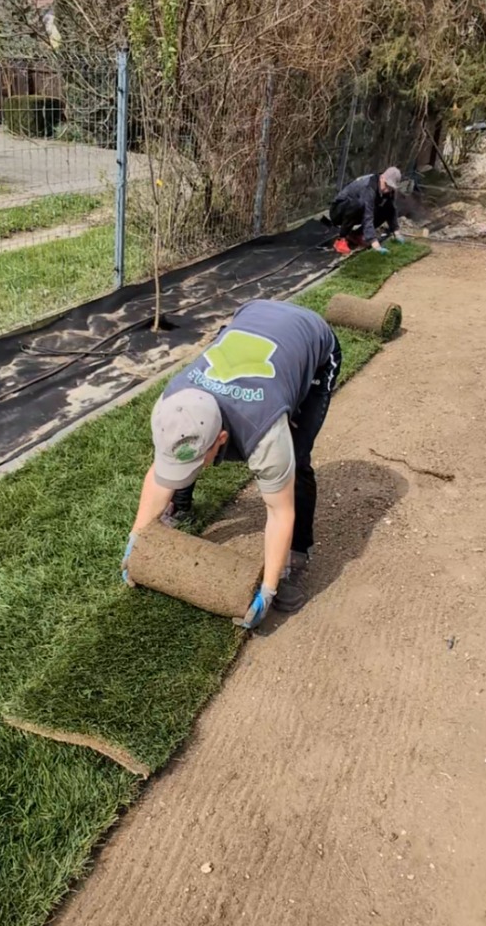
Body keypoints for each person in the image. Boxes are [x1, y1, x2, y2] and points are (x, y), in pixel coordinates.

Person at [122, 299, 342, 631]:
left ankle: (294, 556)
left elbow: (280, 512)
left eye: (207, 453)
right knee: (189, 447)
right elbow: (161, 472)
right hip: (252, 317)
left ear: (223, 439)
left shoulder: (265, 434)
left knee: (296, 463)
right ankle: (181, 507)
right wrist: (137, 539)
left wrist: (266, 590)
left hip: (310, 341)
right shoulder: (171, 406)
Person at [328, 165, 405, 255]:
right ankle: (341, 239)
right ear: (382, 177)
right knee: (359, 204)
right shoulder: (368, 186)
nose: (387, 190)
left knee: (386, 209)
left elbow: (391, 210)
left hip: (357, 209)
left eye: (391, 188)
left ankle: (355, 235)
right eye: (386, 185)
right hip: (338, 211)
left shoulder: (388, 190)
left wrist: (396, 232)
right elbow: (367, 216)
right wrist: (375, 244)